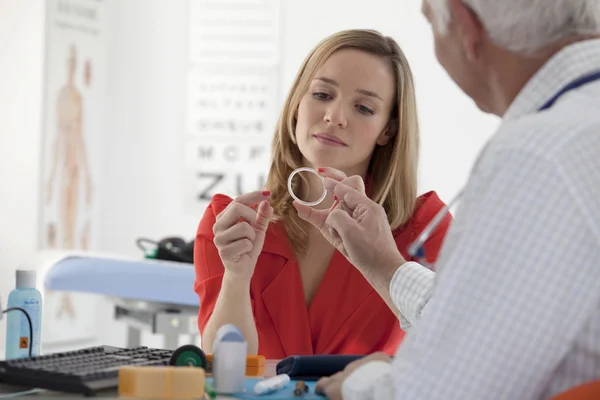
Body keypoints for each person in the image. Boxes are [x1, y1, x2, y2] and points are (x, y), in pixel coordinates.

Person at [293, 0, 600, 399]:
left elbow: (447, 390)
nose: (335, 117)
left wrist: (364, 381)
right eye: (321, 94)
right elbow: (499, 323)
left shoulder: (537, 154)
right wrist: (386, 268)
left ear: (466, 28)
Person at [192, 29, 452, 359]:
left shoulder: (426, 228)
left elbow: (453, 352)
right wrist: (237, 276)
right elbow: (225, 369)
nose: (334, 117)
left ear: (388, 130)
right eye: (322, 95)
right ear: (297, 105)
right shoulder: (230, 224)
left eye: (363, 107)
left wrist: (384, 266)